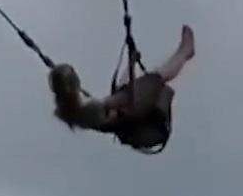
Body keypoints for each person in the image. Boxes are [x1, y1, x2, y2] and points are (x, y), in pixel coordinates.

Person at [48, 24, 195, 151]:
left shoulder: (63, 111)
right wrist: (131, 66)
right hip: (137, 118)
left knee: (146, 83)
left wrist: (130, 65)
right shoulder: (91, 105)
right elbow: (129, 99)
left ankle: (184, 52)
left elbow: (120, 94)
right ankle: (185, 52)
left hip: (125, 121)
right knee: (159, 76)